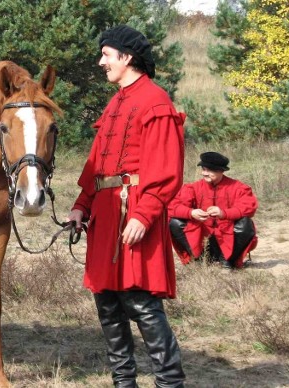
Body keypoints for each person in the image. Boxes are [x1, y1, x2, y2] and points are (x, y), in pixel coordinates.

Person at [66, 25, 186, 387]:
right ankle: (124, 383)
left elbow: (166, 169)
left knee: (141, 304)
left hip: (133, 213)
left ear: (126, 57)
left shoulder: (155, 101)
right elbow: (97, 165)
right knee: (107, 304)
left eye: (106, 54)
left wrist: (145, 213)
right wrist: (81, 205)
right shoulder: (116, 101)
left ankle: (169, 383)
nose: (101, 61)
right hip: (104, 216)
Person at [168, 152, 258, 269]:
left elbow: (249, 207)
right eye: (203, 169)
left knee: (246, 224)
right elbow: (172, 206)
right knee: (174, 222)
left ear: (221, 171)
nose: (204, 173)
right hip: (201, 237)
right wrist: (191, 213)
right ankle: (199, 259)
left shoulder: (238, 188)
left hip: (227, 237)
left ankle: (227, 260)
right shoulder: (193, 188)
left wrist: (224, 213)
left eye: (209, 170)